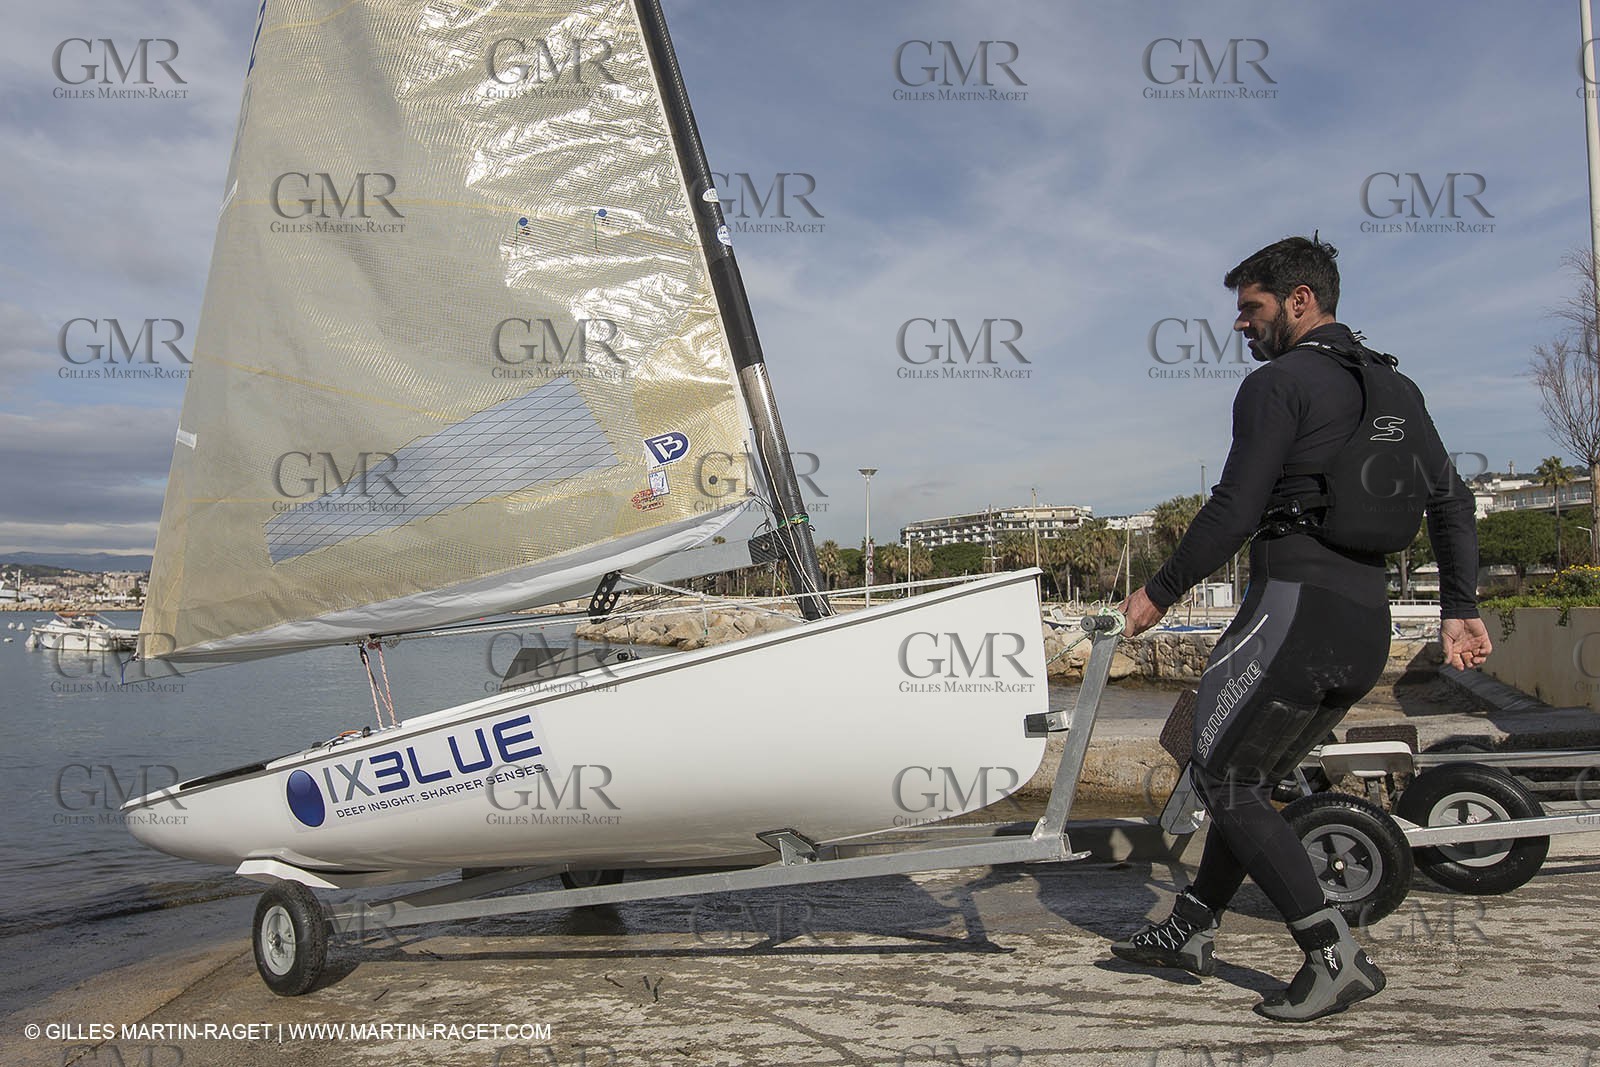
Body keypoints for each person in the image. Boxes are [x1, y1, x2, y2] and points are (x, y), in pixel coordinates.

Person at [1109, 236, 1492, 1022]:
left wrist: (1158, 591)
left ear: (1299, 300)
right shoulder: (1398, 388)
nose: (1241, 329)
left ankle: (1331, 951)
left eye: (1250, 310)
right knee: (1241, 772)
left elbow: (1234, 510)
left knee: (1220, 773)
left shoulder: (1277, 386)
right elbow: (1451, 503)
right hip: (1363, 626)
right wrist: (1460, 605)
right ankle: (1190, 927)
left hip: (1292, 607)